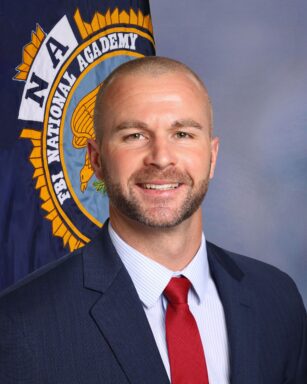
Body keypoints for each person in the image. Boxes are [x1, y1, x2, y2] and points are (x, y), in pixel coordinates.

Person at [0, 57, 306, 384]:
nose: (161, 157)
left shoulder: (277, 298)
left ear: (212, 156)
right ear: (96, 160)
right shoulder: (22, 325)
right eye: (134, 135)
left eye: (183, 134)